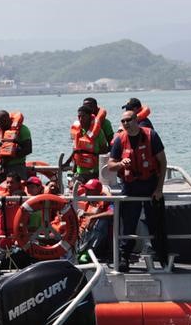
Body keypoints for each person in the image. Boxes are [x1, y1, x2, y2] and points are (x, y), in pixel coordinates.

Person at [107, 109, 167, 272]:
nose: (126, 123)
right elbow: (111, 165)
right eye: (123, 121)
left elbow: (163, 161)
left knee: (157, 224)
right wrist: (121, 164)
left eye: (129, 120)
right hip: (130, 187)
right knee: (128, 225)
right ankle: (124, 257)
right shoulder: (120, 140)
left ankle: (163, 258)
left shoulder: (151, 136)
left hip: (151, 186)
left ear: (136, 121)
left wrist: (159, 189)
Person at [64, 105, 109, 184]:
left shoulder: (98, 133)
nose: (81, 119)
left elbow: (104, 151)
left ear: (89, 117)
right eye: (79, 116)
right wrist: (68, 163)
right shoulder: (78, 131)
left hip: (94, 173)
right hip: (79, 173)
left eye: (83, 116)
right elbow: (76, 151)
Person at [76, 178, 113, 262]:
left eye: (89, 189)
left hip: (99, 237)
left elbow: (112, 212)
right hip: (84, 233)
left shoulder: (105, 200)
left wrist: (93, 217)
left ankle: (88, 253)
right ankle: (79, 250)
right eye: (86, 189)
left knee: (102, 222)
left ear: (96, 191)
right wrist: (84, 214)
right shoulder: (87, 200)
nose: (87, 191)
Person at [0, 109, 32, 183]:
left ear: (6, 120)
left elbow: (28, 149)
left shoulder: (23, 130)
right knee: (0, 191)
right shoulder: (2, 131)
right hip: (2, 168)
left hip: (17, 167)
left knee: (17, 191)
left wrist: (10, 155)